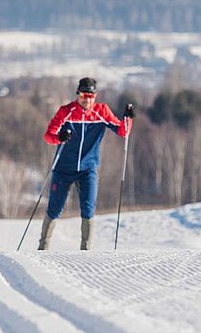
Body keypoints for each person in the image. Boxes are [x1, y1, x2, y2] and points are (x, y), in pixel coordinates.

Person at [39, 77, 133, 250]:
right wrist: (59, 137)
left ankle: (86, 250)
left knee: (88, 209)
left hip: (87, 169)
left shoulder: (101, 112)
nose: (87, 99)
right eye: (83, 95)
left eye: (90, 96)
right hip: (63, 169)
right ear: (78, 94)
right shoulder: (66, 111)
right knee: (54, 208)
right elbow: (48, 136)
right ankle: (43, 247)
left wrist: (128, 118)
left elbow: (122, 131)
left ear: (95, 95)